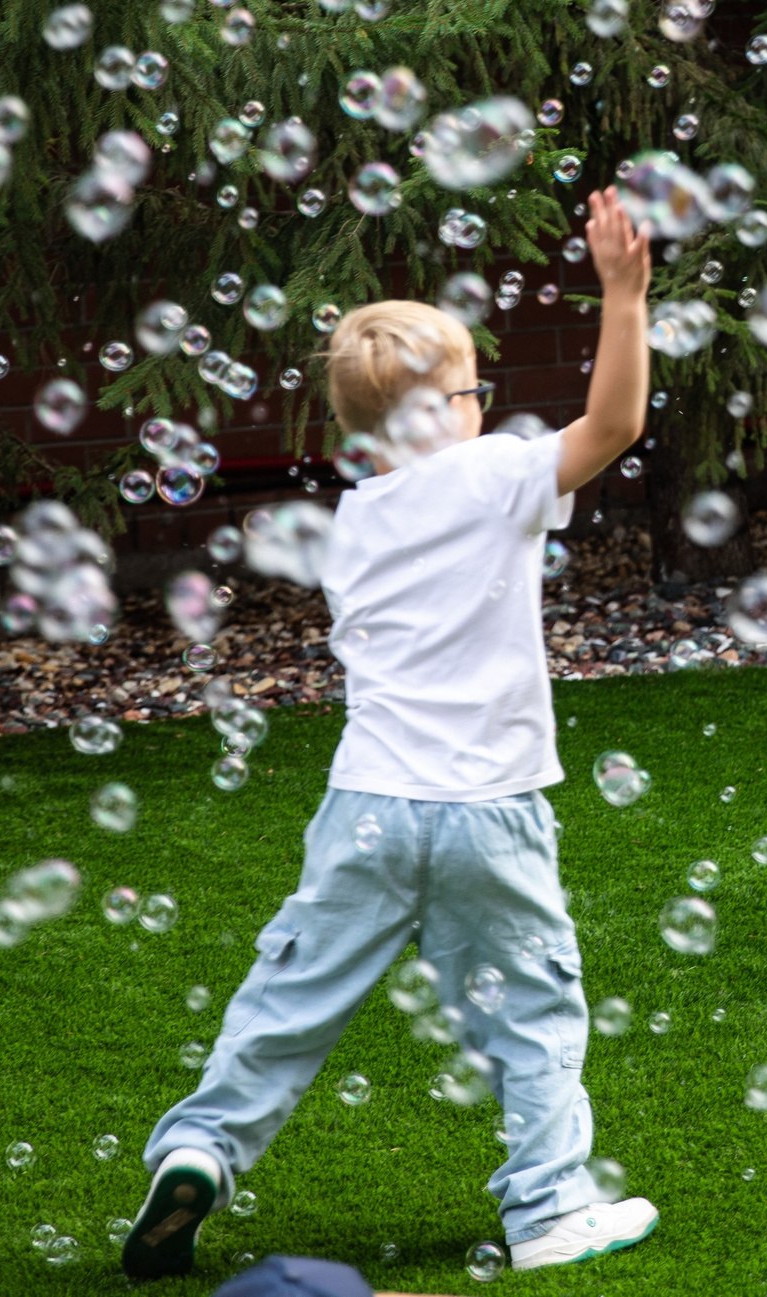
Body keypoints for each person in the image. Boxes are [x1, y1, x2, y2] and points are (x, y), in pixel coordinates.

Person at [125, 187, 659, 1280]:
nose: (484, 405)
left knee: (288, 996)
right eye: (473, 390)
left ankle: (200, 1146)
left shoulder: (355, 520)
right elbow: (613, 425)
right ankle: (553, 1209)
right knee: (532, 1010)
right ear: (449, 414)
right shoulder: (497, 477)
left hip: (364, 806)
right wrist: (623, 293)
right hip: (487, 811)